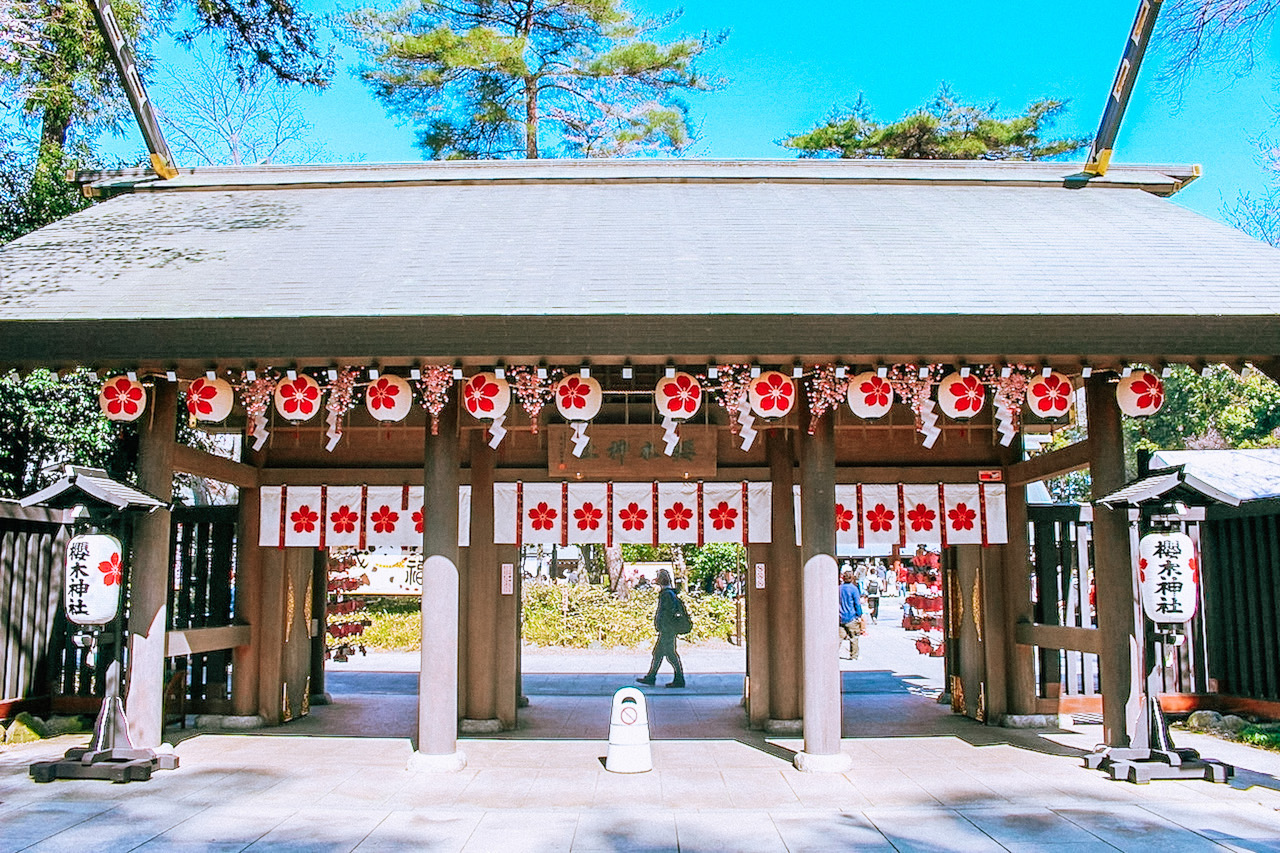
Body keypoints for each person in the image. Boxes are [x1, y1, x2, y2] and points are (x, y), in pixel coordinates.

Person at [637, 568, 686, 688]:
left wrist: (662, 626)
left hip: (667, 629)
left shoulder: (666, 594)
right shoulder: (669, 593)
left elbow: (666, 613)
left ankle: (679, 679)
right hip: (668, 629)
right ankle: (651, 676)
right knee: (658, 653)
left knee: (670, 654)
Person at [838, 569, 864, 660]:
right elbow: (857, 603)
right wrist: (859, 614)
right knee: (854, 637)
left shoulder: (839, 588)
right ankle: (854, 655)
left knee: (839, 637)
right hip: (851, 616)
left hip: (840, 616)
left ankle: (832, 654)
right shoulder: (854, 589)